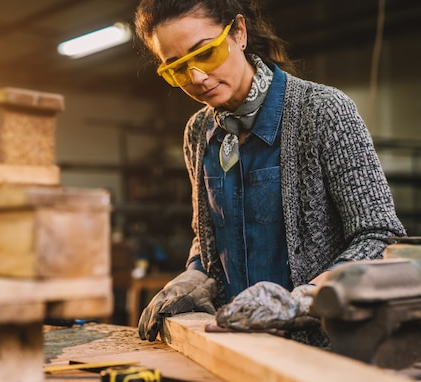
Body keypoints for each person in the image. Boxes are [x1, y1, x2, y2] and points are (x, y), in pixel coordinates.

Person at [133, 0, 406, 344]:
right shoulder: (198, 133)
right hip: (239, 346)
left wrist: (304, 300)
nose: (197, 78)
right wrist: (195, 276)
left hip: (327, 350)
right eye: (177, 68)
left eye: (205, 54)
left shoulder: (322, 112)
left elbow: (380, 238)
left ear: (239, 33)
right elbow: (208, 243)